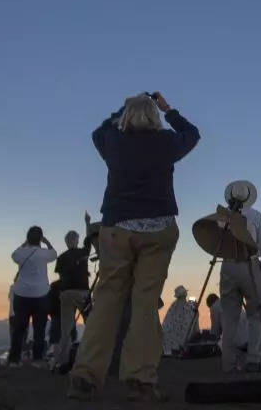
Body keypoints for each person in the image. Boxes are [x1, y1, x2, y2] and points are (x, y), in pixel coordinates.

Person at [68, 92, 199, 401]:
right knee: (144, 303)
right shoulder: (166, 142)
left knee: (107, 301)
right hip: (158, 231)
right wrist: (168, 109)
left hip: (116, 229)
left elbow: (98, 130)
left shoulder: (113, 140)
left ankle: (85, 376)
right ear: (155, 117)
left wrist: (121, 109)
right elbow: (192, 134)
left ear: (126, 116)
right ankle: (140, 380)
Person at [219, 180, 261, 373]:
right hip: (250, 264)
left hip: (227, 265)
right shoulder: (256, 216)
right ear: (248, 197)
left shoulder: (222, 216)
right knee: (255, 314)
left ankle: (228, 363)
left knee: (229, 316)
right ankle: (254, 359)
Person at [51, 215, 94, 371]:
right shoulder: (83, 252)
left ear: (66, 242)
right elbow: (89, 238)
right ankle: (91, 359)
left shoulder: (61, 258)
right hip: (81, 292)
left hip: (65, 294)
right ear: (75, 240)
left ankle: (62, 362)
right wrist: (87, 223)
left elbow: (61, 276)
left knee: (66, 330)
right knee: (92, 323)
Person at [10, 226, 57, 365]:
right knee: (39, 329)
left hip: (21, 294)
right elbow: (54, 253)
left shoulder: (21, 253)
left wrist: (25, 243)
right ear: (40, 239)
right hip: (41, 295)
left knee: (19, 329)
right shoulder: (44, 254)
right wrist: (46, 241)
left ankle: (14, 360)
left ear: (28, 238)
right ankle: (37, 359)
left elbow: (13, 254)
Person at [160, 286, 198, 356]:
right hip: (181, 335)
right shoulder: (188, 306)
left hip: (173, 335)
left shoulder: (174, 305)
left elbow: (167, 321)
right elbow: (193, 319)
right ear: (185, 294)